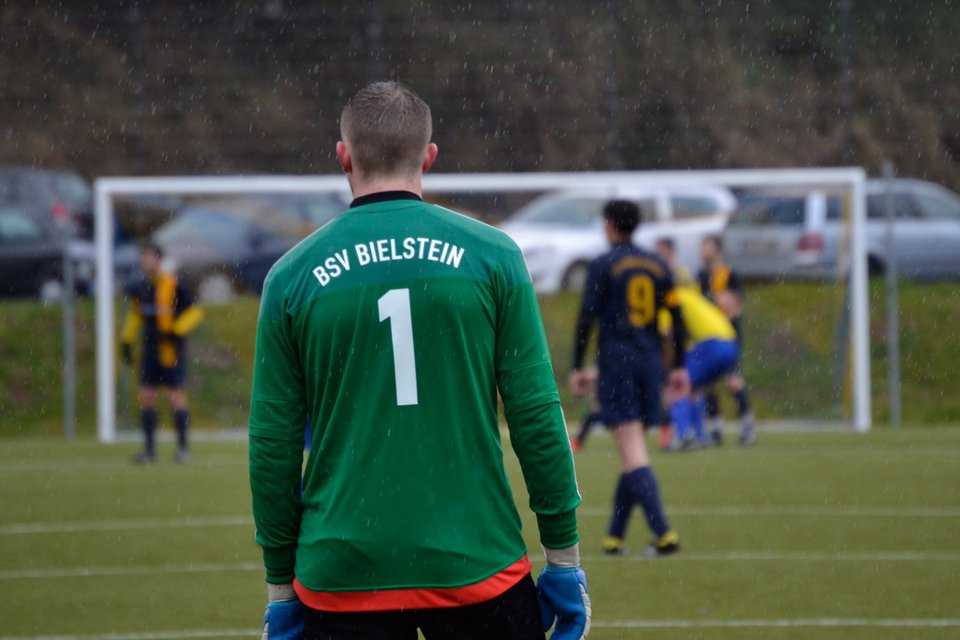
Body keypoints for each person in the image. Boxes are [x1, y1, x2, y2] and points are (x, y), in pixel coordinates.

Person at [249, 81, 589, 640]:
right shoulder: (493, 255)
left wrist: (280, 588)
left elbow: (273, 444)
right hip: (477, 562)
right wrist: (563, 554)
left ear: (343, 156)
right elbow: (535, 412)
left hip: (341, 574)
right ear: (429, 157)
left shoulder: (292, 276)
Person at [569, 200, 687, 557]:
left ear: (609, 225)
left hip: (618, 363)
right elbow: (677, 317)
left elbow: (586, 318)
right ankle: (614, 537)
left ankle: (664, 533)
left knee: (633, 451)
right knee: (632, 447)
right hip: (650, 364)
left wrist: (577, 366)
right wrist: (678, 365)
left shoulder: (605, 265)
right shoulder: (657, 264)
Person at [120, 243, 203, 464]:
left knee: (176, 396)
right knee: (147, 397)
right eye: (143, 257)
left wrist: (176, 331)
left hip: (170, 351)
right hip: (149, 349)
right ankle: (149, 450)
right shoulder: (140, 287)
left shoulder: (174, 285)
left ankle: (183, 449)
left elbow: (194, 313)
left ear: (158, 259)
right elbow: (137, 315)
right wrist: (126, 340)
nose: (145, 262)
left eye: (149, 257)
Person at [697, 235, 754, 446]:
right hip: (708, 336)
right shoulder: (702, 275)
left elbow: (734, 305)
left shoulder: (728, 274)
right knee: (707, 383)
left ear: (717, 250)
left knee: (733, 380)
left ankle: (747, 426)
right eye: (702, 247)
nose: (704, 251)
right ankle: (715, 428)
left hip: (728, 335)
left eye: (707, 247)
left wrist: (720, 303)